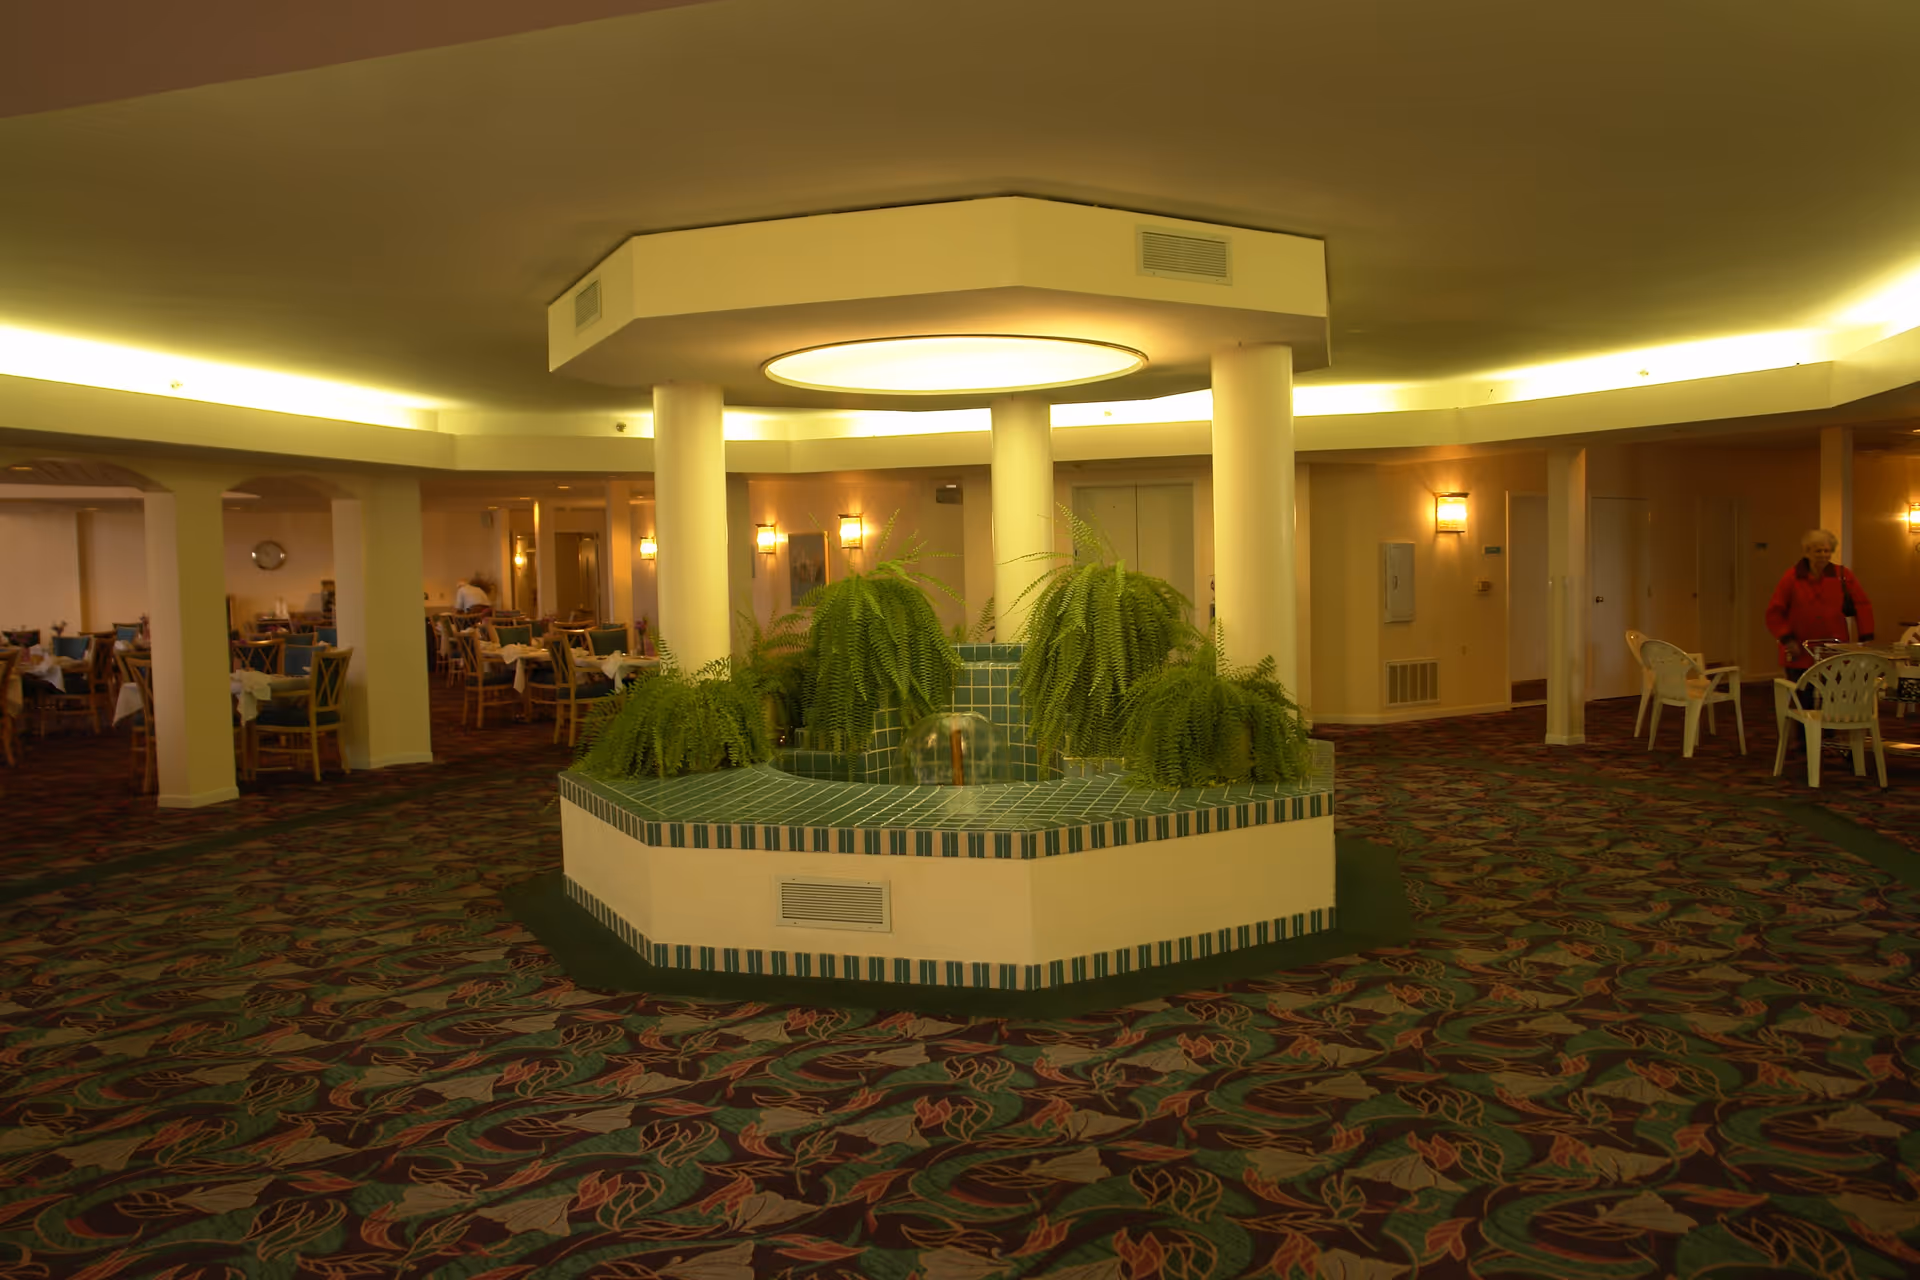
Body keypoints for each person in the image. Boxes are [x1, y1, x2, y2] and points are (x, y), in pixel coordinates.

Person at [1765, 529, 1875, 699]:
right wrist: (1787, 639)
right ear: (1807, 552)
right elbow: (1774, 613)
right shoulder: (1792, 577)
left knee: (1832, 697)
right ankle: (1804, 726)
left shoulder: (1842, 575)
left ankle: (1828, 726)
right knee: (1803, 698)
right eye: (1818, 551)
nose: (1823, 555)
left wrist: (1866, 636)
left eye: (1827, 550)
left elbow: (1862, 605)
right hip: (1799, 649)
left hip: (1833, 649)